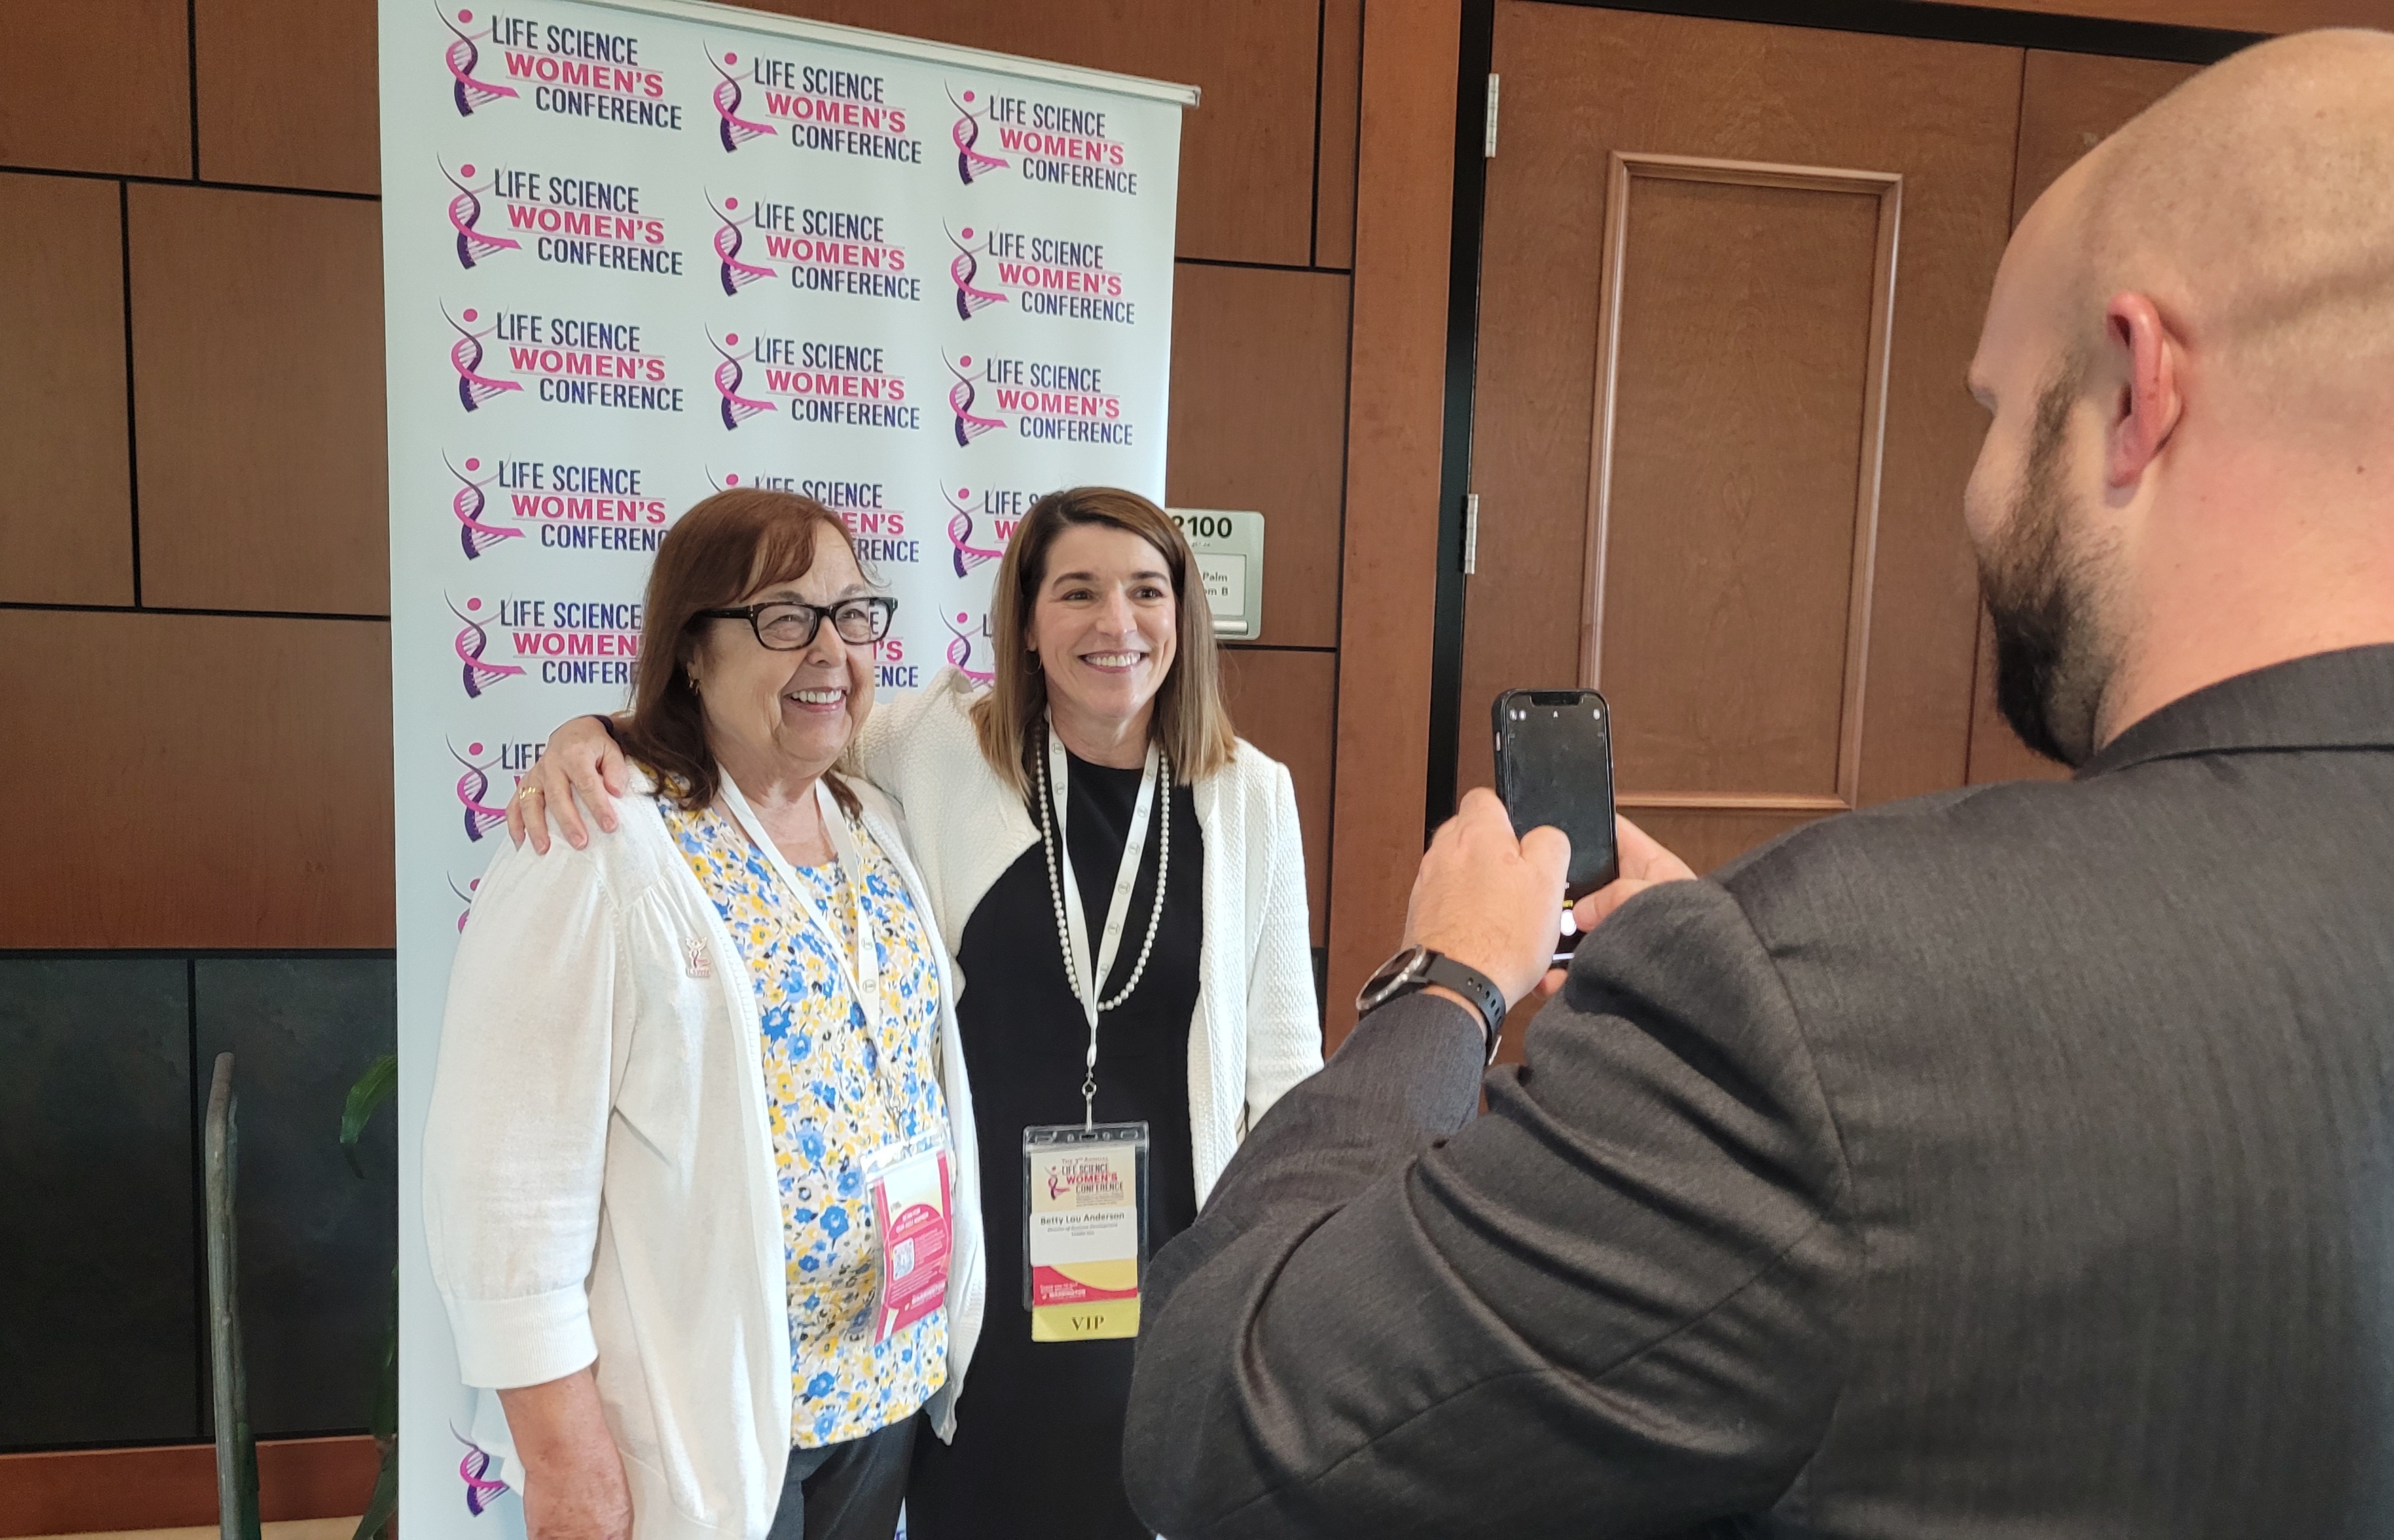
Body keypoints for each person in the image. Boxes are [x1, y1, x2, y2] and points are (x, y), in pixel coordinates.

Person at [1121, 27, 2394, 1539]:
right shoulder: (1826, 999)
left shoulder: (1847, 1007)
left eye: (1991, 409)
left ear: (2135, 384)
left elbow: (1228, 1421)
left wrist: (1445, 980)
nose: (1977, 495)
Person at [512, 485, 1324, 1538]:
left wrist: (1264, 1306)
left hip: (1162, 1281)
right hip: (972, 1294)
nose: (1115, 625)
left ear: (1184, 618)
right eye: (1076, 593)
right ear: (1025, 627)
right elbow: (761, 725)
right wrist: (594, 733)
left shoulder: (1249, 796)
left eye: (1145, 592)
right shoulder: (936, 749)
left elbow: (1287, 1072)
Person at [423, 490, 983, 1540]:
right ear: (690, 650)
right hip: (704, 1415)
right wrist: (560, 1452)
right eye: (783, 618)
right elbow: (502, 1179)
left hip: (880, 1382)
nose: (829, 650)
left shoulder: (874, 822)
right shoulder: (598, 842)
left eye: (852, 614)